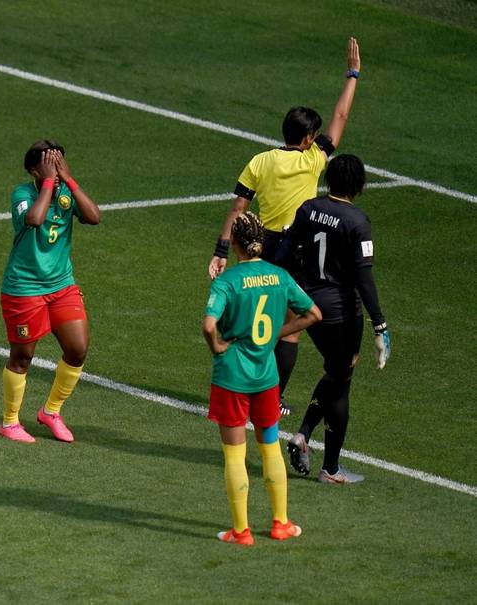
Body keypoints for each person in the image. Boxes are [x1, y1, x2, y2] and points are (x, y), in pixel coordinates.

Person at [208, 37, 361, 416]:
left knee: (254, 317)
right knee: (290, 329)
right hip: (299, 252)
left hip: (263, 247)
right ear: (307, 138)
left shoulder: (259, 161)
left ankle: (242, 385)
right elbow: (341, 117)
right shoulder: (313, 160)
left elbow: (238, 209)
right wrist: (352, 75)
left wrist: (221, 250)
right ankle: (272, 399)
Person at [203, 212, 321, 545]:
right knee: (270, 449)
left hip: (232, 378)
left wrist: (218, 346)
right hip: (267, 377)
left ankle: (241, 531)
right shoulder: (280, 276)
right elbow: (314, 314)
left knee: (234, 455)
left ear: (235, 244)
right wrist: (277, 333)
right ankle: (280, 523)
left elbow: (209, 325)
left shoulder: (227, 281)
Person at [279, 154, 391, 484]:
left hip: (308, 305)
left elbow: (285, 254)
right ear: (358, 184)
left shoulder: (308, 208)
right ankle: (329, 468)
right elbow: (363, 278)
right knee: (341, 381)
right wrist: (380, 325)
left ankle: (304, 435)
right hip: (341, 313)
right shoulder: (357, 222)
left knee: (336, 373)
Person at [0, 139, 101, 443]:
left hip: (61, 286)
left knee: (77, 349)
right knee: (22, 357)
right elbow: (34, 219)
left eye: (59, 165)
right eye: (49, 167)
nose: (55, 173)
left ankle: (51, 412)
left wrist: (69, 179)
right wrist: (47, 184)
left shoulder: (67, 190)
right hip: (24, 287)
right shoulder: (22, 194)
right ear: (34, 170)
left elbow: (94, 217)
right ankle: (9, 422)